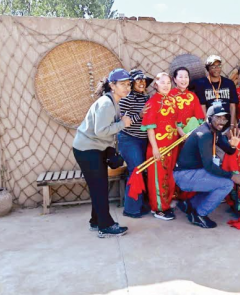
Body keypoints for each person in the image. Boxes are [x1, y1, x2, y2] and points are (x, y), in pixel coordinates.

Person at [73, 68, 132, 238]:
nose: (127, 88)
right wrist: (123, 124)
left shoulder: (114, 101)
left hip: (93, 148)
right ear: (112, 85)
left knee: (98, 187)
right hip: (87, 149)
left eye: (128, 84)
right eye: (122, 84)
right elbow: (100, 131)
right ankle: (105, 226)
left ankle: (96, 221)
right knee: (99, 187)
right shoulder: (107, 103)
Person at [173, 105, 240, 228]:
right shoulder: (205, 134)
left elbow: (229, 151)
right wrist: (232, 176)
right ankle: (199, 214)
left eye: (224, 118)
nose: (222, 121)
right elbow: (209, 166)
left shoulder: (213, 131)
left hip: (192, 172)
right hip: (184, 175)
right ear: (209, 118)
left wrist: (233, 145)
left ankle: (190, 204)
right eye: (218, 118)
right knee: (226, 184)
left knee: (220, 180)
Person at [141, 72, 180, 221]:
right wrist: (155, 149)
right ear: (156, 85)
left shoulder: (172, 100)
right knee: (157, 178)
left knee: (169, 177)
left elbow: (176, 123)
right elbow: (150, 128)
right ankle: (158, 208)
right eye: (162, 82)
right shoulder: (152, 102)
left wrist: (183, 136)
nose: (166, 85)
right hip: (158, 147)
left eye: (168, 82)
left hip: (172, 146)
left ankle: (166, 203)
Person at [117, 69, 153, 218]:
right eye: (138, 80)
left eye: (143, 80)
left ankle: (139, 204)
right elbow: (120, 123)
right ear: (131, 84)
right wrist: (139, 115)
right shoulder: (126, 99)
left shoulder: (147, 98)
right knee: (136, 171)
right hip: (129, 139)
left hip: (144, 139)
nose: (142, 83)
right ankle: (131, 209)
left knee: (142, 171)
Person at [191, 55, 239, 128]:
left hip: (227, 123)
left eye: (219, 66)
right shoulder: (201, 84)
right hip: (211, 124)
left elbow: (232, 106)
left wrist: (232, 125)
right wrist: (207, 125)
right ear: (208, 68)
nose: (216, 69)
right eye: (213, 66)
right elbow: (202, 106)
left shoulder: (229, 83)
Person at [169, 66, 205, 135]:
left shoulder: (193, 96)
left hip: (190, 133)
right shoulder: (169, 95)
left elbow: (199, 115)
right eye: (181, 77)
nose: (184, 80)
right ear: (175, 80)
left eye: (186, 77)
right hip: (173, 133)